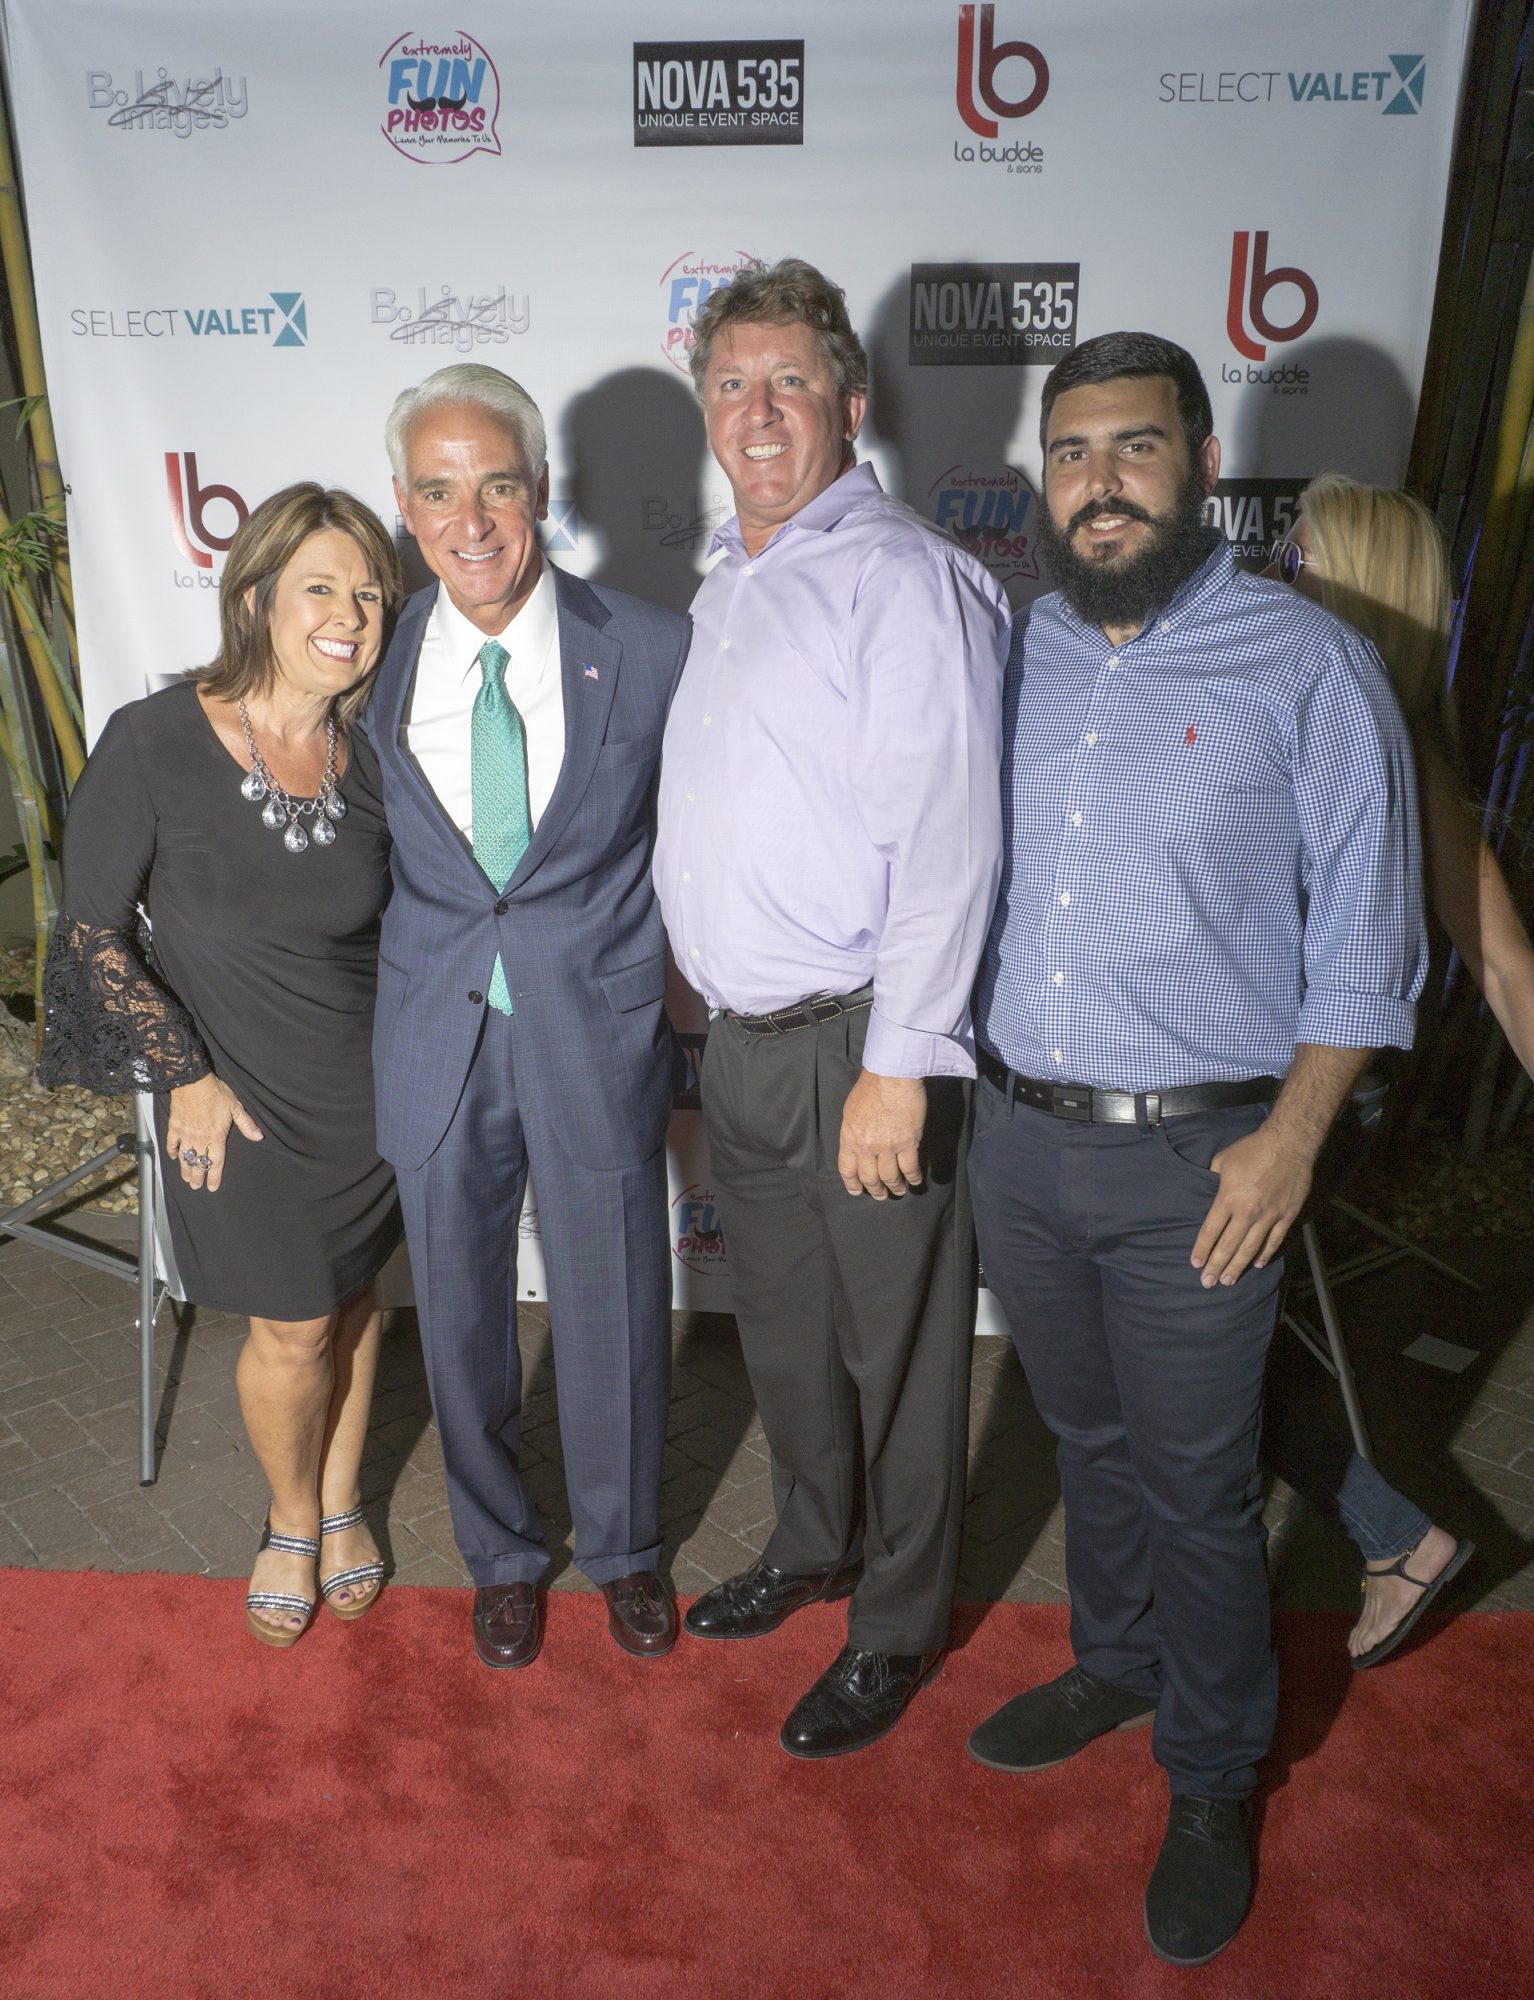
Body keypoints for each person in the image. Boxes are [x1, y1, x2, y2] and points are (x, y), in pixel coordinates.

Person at [964, 333, 1426, 1966]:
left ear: (1201, 461)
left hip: (1201, 1163)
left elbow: (1369, 939)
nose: (1099, 483)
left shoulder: (1306, 664)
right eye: (1070, 452)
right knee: (1084, 1441)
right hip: (1018, 1141)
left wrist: (1290, 1140)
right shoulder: (1014, 648)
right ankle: (1117, 1659)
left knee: (1195, 1481)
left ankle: (1215, 1768)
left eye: (1133, 447)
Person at [654, 258, 1009, 1757]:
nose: (757, 410)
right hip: (742, 1047)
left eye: (788, 380)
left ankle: (898, 1623)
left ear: (849, 404)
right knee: (788, 1335)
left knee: (901, 1354)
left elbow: (949, 835)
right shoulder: (727, 577)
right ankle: (813, 1544)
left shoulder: (901, 576)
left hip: (863, 1044)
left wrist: (902, 1063)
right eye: (731, 382)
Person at [41, 484, 405, 1648]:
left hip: (372, 1092)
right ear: (253, 597)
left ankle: (343, 1500)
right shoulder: (153, 739)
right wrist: (183, 1073)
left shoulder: (373, 753)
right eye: (320, 588)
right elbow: (91, 932)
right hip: (237, 1099)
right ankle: (290, 1517)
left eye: (369, 595)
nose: (348, 615)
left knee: (357, 1302)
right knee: (292, 1326)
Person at [369, 363, 689, 1671]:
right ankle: (499, 1555)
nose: (472, 520)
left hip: (592, 1020)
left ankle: (624, 1546)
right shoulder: (370, 652)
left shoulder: (653, 645)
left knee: (613, 1297)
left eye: (496, 484)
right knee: (455, 1313)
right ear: (405, 506)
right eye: (440, 492)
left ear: (542, 488)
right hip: (434, 1026)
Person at [1264, 471, 1534, 1665]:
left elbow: (1507, 966)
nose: (1272, 572)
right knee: (1188, 1336)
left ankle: (1395, 1535)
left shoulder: (1399, 751)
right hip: (1236, 1080)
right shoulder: (1292, 713)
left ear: (1352, 586)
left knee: (1187, 1338)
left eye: (1294, 556)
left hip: (1308, 1100)